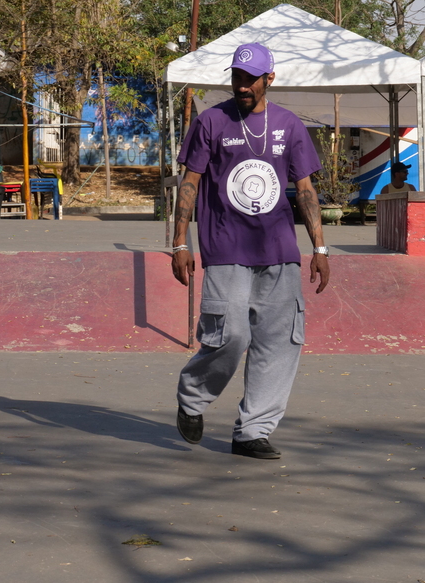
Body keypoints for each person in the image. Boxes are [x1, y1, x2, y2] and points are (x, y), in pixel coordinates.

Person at [171, 43, 330, 459]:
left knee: (279, 342)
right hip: (226, 247)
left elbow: (305, 189)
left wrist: (320, 246)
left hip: (279, 250)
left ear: (268, 79)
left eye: (250, 79)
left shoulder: (289, 125)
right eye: (236, 77)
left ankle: (252, 431)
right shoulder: (211, 121)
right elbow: (190, 183)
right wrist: (180, 241)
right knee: (231, 335)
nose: (241, 85)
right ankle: (193, 396)